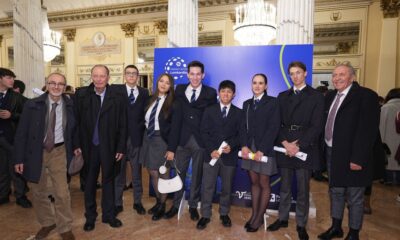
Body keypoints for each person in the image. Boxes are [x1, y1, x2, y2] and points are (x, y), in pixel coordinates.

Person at [318, 63, 379, 240]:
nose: (337, 78)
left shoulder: (366, 96)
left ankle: (354, 233)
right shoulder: (329, 96)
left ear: (352, 77)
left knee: (355, 197)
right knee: (335, 192)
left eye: (342, 74)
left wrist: (358, 158)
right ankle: (336, 227)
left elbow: (368, 131)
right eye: (334, 75)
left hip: (353, 156)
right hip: (332, 153)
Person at [14, 73, 76, 240]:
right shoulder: (32, 104)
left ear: (65, 87)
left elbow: (74, 129)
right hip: (35, 153)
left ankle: (65, 227)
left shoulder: (70, 105)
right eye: (53, 83)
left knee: (62, 192)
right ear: (47, 85)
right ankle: (47, 222)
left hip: (59, 151)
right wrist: (19, 158)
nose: (56, 87)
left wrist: (76, 147)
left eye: (60, 84)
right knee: (38, 190)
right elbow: (21, 133)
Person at [268, 62, 324, 240]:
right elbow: (276, 122)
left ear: (305, 73)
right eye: (292, 74)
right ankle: (282, 219)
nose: (295, 76)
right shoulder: (282, 96)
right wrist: (285, 143)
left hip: (304, 147)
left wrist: (298, 145)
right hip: (285, 146)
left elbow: (317, 125)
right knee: (284, 188)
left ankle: (301, 223)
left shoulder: (316, 96)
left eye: (298, 73)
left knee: (302, 189)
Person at [74, 65, 127, 232]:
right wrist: (76, 145)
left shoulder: (117, 96)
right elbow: (75, 123)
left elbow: (123, 125)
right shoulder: (81, 95)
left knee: (108, 181)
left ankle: (109, 215)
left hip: (110, 147)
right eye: (95, 76)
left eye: (102, 76)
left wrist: (120, 147)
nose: (98, 79)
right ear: (91, 77)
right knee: (89, 183)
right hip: (88, 147)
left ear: (108, 77)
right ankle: (90, 216)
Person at [164, 60, 217, 220]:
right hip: (181, 140)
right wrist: (171, 147)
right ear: (187, 74)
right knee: (178, 174)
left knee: (196, 176)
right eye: (192, 74)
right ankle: (175, 205)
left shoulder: (210, 93)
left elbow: (212, 118)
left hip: (200, 141)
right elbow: (174, 120)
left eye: (198, 74)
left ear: (203, 75)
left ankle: (193, 206)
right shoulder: (179, 90)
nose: (195, 77)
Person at [196, 80, 242, 230]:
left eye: (229, 92)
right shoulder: (209, 110)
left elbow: (241, 135)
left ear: (233, 94)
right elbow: (203, 132)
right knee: (208, 186)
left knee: (226, 188)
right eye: (223, 91)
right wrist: (211, 150)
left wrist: (232, 145)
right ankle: (205, 215)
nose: (226, 94)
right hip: (211, 155)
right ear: (218, 93)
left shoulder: (238, 112)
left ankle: (224, 213)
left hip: (229, 157)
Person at [240, 73, 280, 232]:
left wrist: (262, 150)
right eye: (255, 83)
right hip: (249, 149)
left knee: (264, 183)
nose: (257, 86)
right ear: (251, 85)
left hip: (265, 149)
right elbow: (242, 127)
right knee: (254, 183)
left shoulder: (273, 102)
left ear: (266, 86)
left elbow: (274, 127)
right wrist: (243, 145)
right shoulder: (246, 104)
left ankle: (258, 219)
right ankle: (254, 214)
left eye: (261, 83)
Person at [140, 73, 182, 221]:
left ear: (171, 86)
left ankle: (162, 205)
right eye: (161, 81)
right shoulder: (150, 99)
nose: (163, 84)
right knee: (152, 171)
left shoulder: (174, 103)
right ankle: (159, 201)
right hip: (148, 139)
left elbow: (176, 128)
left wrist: (171, 149)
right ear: (157, 82)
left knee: (163, 173)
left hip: (162, 141)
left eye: (167, 83)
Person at [113, 65, 149, 216]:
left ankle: (137, 202)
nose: (131, 76)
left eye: (134, 73)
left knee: (137, 174)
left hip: (137, 140)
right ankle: (117, 203)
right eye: (128, 73)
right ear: (124, 75)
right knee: (119, 174)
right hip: (119, 140)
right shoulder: (116, 90)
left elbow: (146, 113)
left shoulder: (144, 92)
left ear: (138, 76)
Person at [0, 68, 31, 208]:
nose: (12, 80)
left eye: (12, 78)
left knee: (16, 169)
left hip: (12, 138)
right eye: (8, 77)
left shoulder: (17, 97)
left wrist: (12, 115)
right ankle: (3, 195)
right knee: (1, 169)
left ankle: (21, 196)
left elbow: (28, 114)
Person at [380, 88, 400, 185]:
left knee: (389, 164)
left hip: (388, 143)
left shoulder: (386, 108)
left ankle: (389, 181)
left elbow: (381, 127)